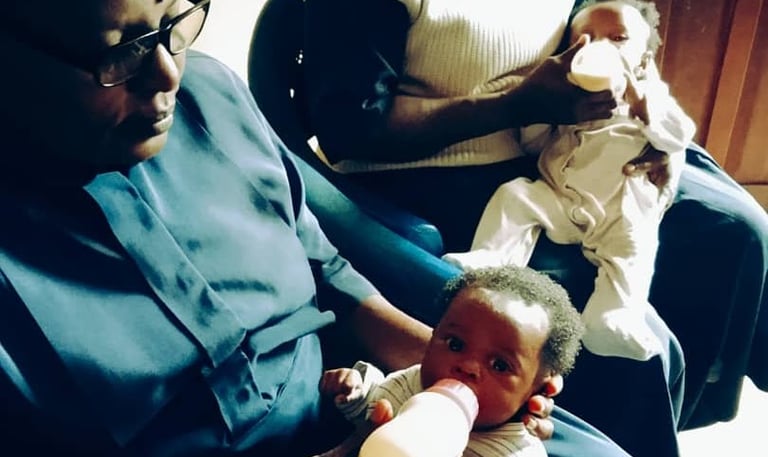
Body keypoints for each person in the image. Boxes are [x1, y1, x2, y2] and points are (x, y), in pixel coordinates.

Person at [0, 0, 633, 456]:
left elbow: (328, 276)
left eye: (174, 22)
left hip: (366, 413)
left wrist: (468, 380)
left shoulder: (214, 97)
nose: (168, 74)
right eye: (123, 49)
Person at [302, 0, 768, 453]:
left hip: (565, 144)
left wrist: (642, 110)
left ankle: (699, 408)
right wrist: (515, 105)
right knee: (638, 349)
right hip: (433, 171)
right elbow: (350, 131)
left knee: (738, 231)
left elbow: (608, 23)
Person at [442, 0, 696, 363]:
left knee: (633, 253)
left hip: (618, 207)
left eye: (618, 38)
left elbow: (678, 134)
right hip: (558, 197)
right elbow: (532, 142)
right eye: (585, 39)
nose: (599, 47)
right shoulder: (568, 96)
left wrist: (641, 102)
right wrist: (545, 111)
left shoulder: (650, 95)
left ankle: (611, 318)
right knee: (514, 196)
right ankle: (490, 258)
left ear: (644, 59)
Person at [318, 266, 584, 457]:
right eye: (456, 344)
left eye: (500, 365)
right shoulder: (411, 384)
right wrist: (352, 391)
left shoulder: (518, 451)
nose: (467, 366)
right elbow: (373, 405)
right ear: (433, 336)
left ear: (537, 392)